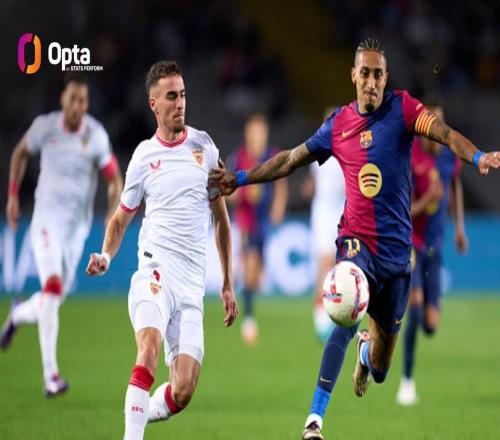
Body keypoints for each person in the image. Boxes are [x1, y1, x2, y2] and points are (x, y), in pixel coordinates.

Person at [209, 38, 500, 440]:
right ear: (353, 75)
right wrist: (240, 178)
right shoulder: (338, 125)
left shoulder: (403, 109)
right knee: (345, 312)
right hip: (356, 244)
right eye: (365, 73)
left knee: (380, 370)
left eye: (378, 74)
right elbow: (290, 159)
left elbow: (445, 134)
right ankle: (314, 419)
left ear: (386, 77)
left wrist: (478, 156)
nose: (372, 81)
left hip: (397, 258)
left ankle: (365, 354)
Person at [86, 60, 238, 440]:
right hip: (155, 272)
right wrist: (105, 256)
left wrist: (227, 283)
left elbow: (221, 221)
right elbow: (120, 220)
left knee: (182, 390)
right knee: (149, 349)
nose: (180, 103)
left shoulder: (205, 148)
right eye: (171, 96)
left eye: (183, 95)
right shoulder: (143, 157)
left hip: (191, 286)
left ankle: (139, 413)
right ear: (154, 104)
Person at [1, 73, 123, 397]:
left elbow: (114, 180)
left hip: (76, 230)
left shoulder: (95, 135)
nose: (77, 106)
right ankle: (50, 375)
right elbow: (20, 153)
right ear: (63, 100)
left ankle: (18, 313)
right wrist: (12, 196)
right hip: (46, 222)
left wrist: (113, 211)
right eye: (73, 99)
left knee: (53, 299)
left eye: (83, 100)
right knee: (52, 287)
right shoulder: (45, 127)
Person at [396, 99, 468, 406]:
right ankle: (407, 382)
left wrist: (460, 227)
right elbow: (404, 210)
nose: (436, 132)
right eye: (431, 126)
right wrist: (428, 199)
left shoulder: (450, 156)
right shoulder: (410, 157)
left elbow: (456, 185)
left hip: (436, 246)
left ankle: (426, 312)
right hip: (412, 242)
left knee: (430, 325)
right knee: (414, 307)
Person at [229, 113, 288, 345]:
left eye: (261, 131)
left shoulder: (272, 155)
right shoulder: (239, 158)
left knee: (256, 275)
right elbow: (227, 190)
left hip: (263, 222)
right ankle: (249, 320)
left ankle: (239, 280)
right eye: (254, 131)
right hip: (246, 220)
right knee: (251, 265)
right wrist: (242, 193)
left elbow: (281, 183)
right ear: (248, 134)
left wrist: (278, 206)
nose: (258, 136)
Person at [308, 107, 345, 343]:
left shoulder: (348, 150)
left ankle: (333, 313)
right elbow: (315, 181)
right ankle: (320, 317)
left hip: (342, 212)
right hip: (323, 212)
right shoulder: (319, 149)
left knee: (338, 267)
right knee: (323, 263)